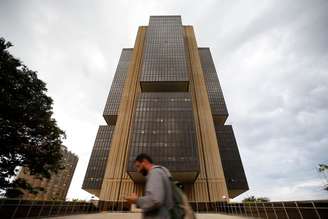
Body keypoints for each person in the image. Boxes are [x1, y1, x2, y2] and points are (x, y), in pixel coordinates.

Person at [125, 153, 173, 219]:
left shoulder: (155, 173)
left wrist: (136, 200)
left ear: (144, 162)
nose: (138, 171)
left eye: (138, 166)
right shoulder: (159, 173)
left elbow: (155, 200)